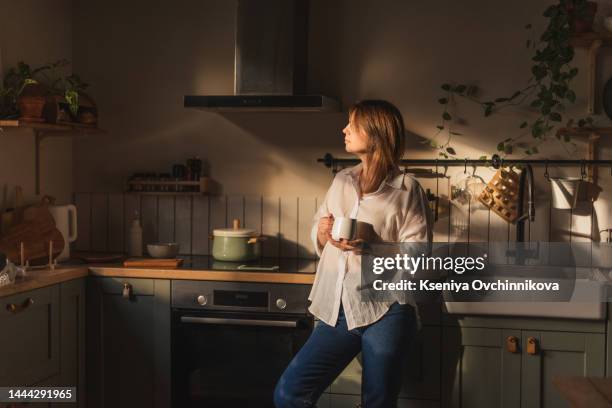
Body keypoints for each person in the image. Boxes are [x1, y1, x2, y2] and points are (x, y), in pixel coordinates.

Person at [273, 100, 434, 408]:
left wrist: (372, 243)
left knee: (377, 402)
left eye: (353, 124)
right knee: (289, 394)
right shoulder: (341, 181)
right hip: (339, 308)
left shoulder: (407, 190)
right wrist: (321, 233)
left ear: (375, 133)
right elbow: (321, 232)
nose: (344, 129)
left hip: (388, 309)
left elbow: (419, 255)